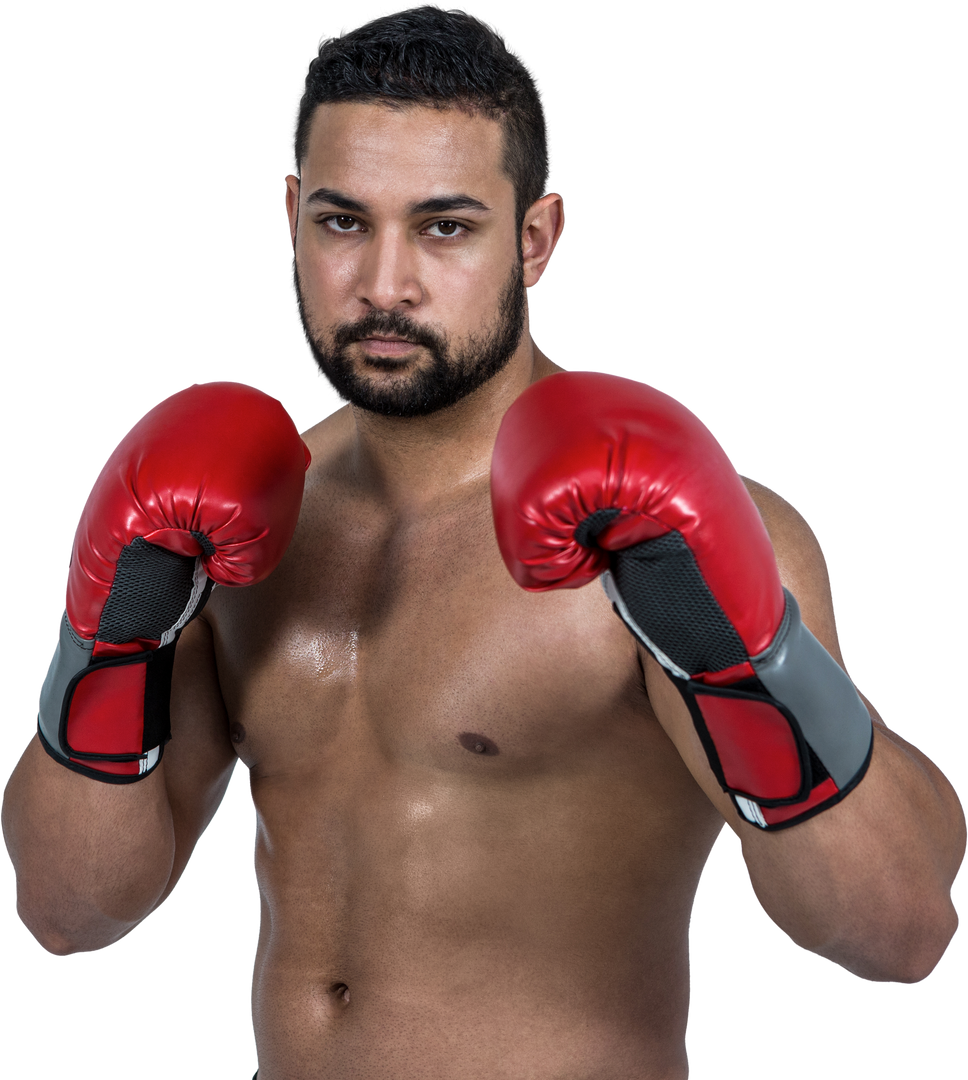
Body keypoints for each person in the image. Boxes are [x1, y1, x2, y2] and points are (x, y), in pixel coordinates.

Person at [3, 5, 965, 1079]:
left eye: (444, 227)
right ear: (288, 217)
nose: (383, 283)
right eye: (341, 222)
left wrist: (735, 652)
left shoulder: (666, 534)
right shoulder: (226, 523)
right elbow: (70, 909)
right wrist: (107, 634)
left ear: (536, 237)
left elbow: (899, 931)